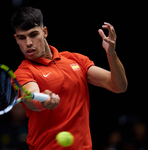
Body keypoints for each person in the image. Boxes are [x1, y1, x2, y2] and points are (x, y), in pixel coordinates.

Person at [11, 6, 127, 150]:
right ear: (16, 39)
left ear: (45, 32)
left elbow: (119, 86)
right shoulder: (24, 71)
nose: (28, 43)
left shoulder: (75, 60)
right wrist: (43, 100)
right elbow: (29, 97)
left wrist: (111, 54)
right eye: (22, 38)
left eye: (33, 34)